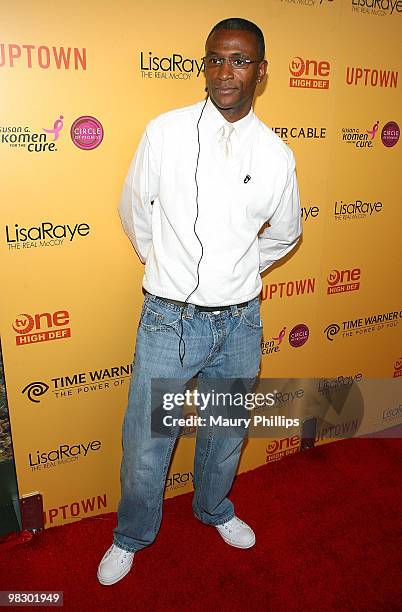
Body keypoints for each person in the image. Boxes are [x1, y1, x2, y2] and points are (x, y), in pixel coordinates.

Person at [97, 17, 302, 586]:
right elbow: (134, 211)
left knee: (225, 433)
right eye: (215, 59)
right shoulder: (164, 131)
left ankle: (213, 509)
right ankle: (131, 536)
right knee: (147, 443)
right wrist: (166, 265)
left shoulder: (276, 154)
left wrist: (235, 272)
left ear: (260, 72)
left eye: (239, 61)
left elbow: (284, 234)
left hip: (240, 322)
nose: (224, 71)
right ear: (204, 65)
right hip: (169, 319)